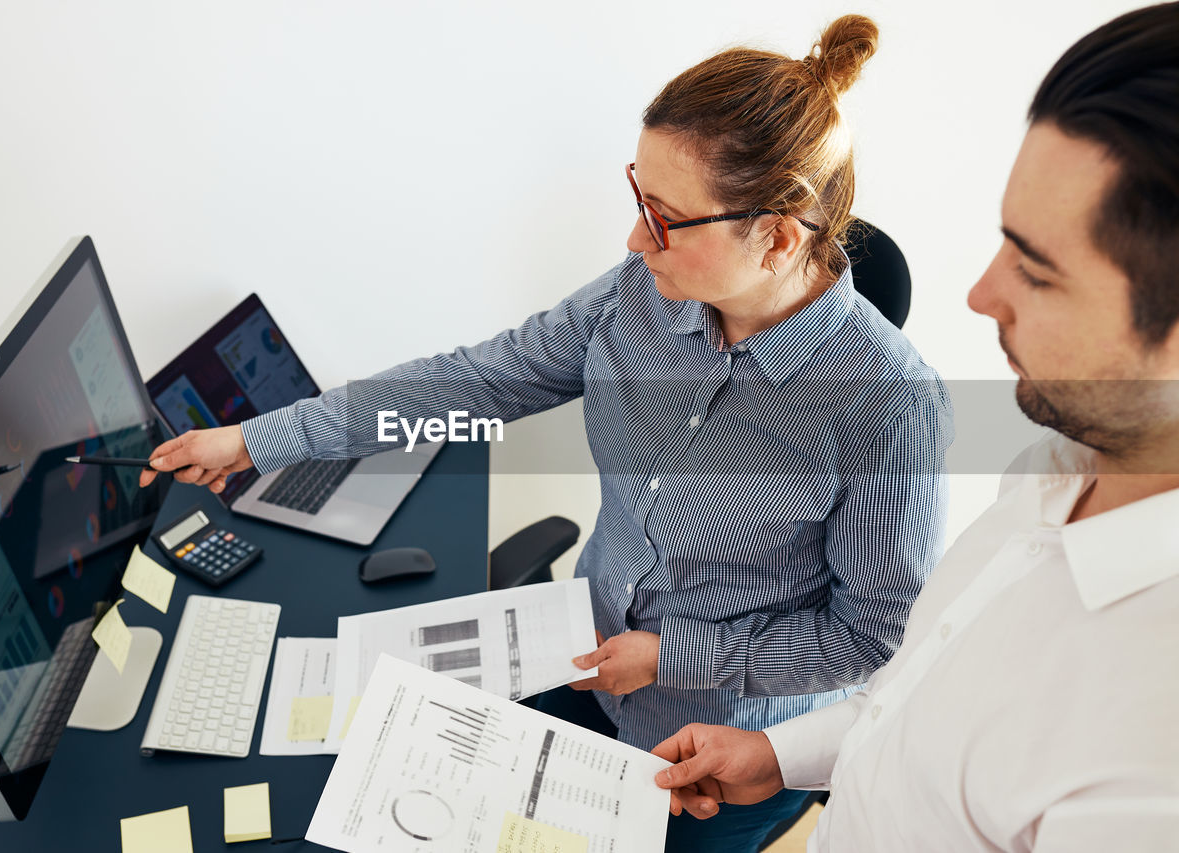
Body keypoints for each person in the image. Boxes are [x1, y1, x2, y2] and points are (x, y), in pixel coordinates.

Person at [140, 14, 952, 850]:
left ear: (778, 235)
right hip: (582, 655)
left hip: (718, 747)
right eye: (639, 197)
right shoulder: (642, 293)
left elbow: (871, 636)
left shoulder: (889, 409)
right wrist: (255, 442)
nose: (636, 239)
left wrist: (675, 654)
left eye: (666, 217)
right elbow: (482, 380)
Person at [652, 4, 1179, 850]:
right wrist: (779, 753)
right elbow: (917, 691)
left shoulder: (1150, 759)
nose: (980, 294)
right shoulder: (1056, 466)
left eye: (1036, 272)